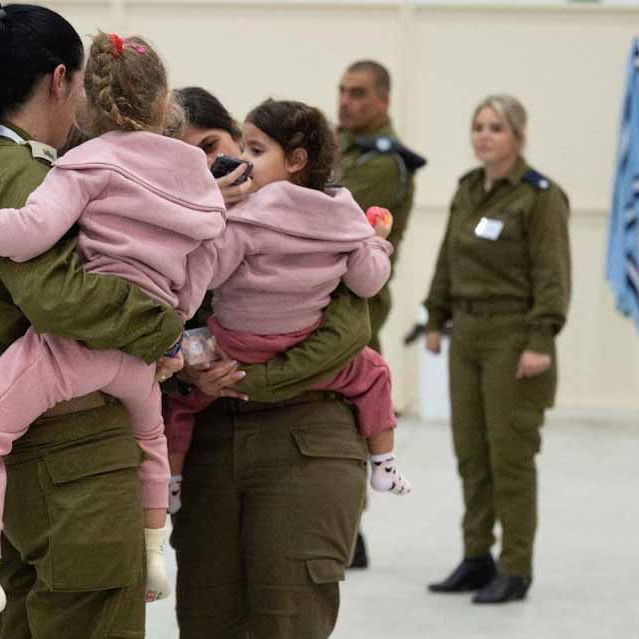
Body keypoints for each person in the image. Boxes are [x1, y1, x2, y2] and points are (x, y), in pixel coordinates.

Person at [0, 31, 225, 631]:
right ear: (61, 81)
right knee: (97, 606)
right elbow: (62, 297)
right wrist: (166, 329)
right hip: (76, 439)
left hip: (35, 418)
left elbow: (19, 258)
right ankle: (154, 551)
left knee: (29, 611)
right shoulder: (34, 171)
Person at [167, 91, 376, 638]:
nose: (215, 164)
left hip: (304, 430)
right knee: (207, 616)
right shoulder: (185, 225)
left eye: (214, 145)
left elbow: (349, 329)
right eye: (189, 157)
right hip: (210, 440)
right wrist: (184, 368)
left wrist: (250, 380)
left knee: (287, 615)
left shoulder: (320, 215)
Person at [162, 99, 412, 499]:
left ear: (295, 160)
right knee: (376, 373)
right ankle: (383, 464)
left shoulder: (244, 215)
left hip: (231, 346)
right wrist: (377, 243)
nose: (243, 161)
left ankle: (169, 485)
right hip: (300, 339)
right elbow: (367, 283)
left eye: (254, 150)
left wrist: (207, 221)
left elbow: (210, 277)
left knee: (178, 391)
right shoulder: (344, 216)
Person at [424, 94, 571, 604]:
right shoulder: (469, 188)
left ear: (518, 137)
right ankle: (476, 557)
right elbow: (448, 258)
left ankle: (515, 566)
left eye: (496, 128)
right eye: (478, 126)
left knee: (510, 455)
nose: (484, 136)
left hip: (514, 336)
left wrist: (541, 339)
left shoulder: (539, 196)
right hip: (466, 333)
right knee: (471, 454)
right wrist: (435, 316)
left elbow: (552, 274)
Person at [337, 59, 424, 567]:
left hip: (360, 305)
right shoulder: (345, 147)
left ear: (384, 100)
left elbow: (338, 214)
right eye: (343, 91)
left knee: (351, 421)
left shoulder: (384, 164)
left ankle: (350, 533)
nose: (346, 101)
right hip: (335, 301)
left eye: (359, 93)